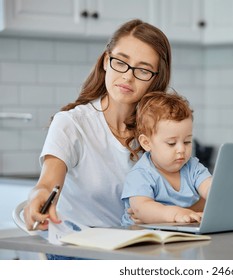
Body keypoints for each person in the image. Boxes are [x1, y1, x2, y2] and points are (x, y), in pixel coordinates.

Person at [23, 18, 173, 235]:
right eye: (120, 62)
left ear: (155, 80)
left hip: (139, 248)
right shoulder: (71, 123)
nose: (128, 77)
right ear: (105, 61)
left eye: (143, 70)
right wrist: (37, 198)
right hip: (78, 249)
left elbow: (178, 197)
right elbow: (47, 184)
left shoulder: (160, 132)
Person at [121, 91, 212, 226]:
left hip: (179, 235)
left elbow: (211, 189)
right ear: (146, 143)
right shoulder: (141, 174)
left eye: (187, 141)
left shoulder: (193, 167)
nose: (181, 149)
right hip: (142, 240)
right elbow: (141, 208)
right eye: (171, 143)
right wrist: (175, 214)